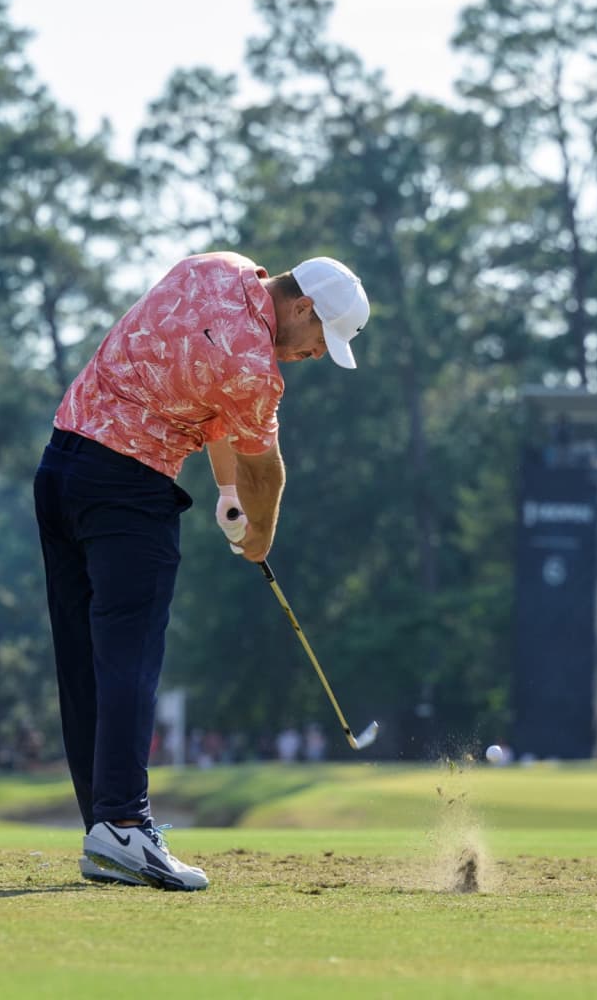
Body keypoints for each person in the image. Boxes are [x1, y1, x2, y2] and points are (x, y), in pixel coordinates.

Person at [34, 251, 368, 891]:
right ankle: (124, 827)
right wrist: (259, 538)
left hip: (61, 468)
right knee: (129, 658)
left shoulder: (217, 268)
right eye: (323, 338)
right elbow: (265, 469)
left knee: (87, 664)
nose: (319, 354)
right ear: (302, 308)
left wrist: (223, 492)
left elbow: (208, 393)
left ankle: (105, 829)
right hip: (127, 492)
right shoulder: (256, 370)